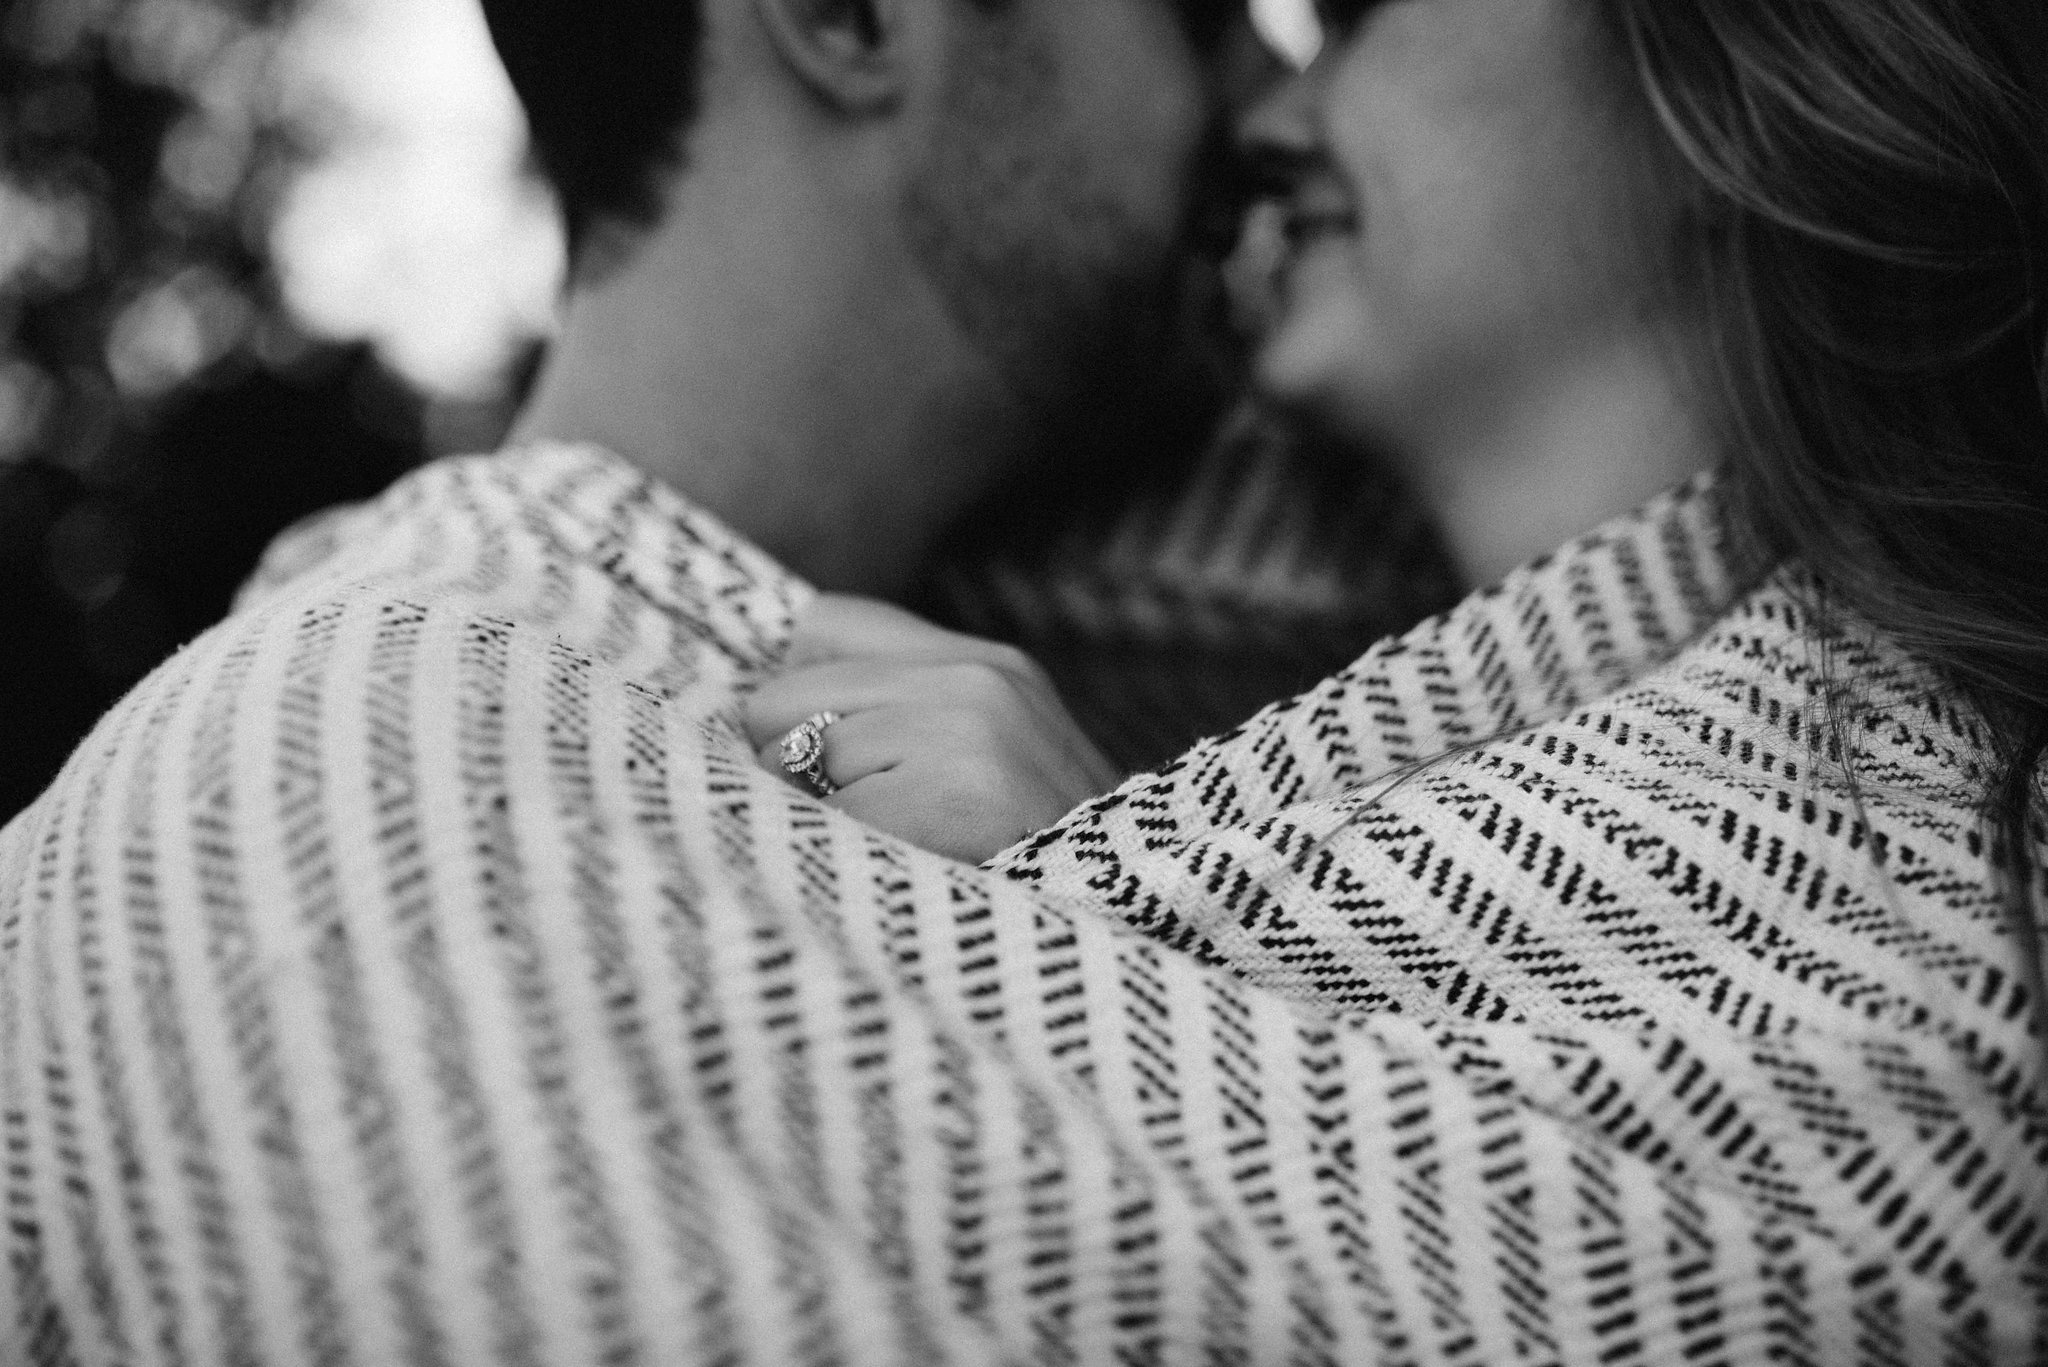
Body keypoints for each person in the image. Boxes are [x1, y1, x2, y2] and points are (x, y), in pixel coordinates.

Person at [3, 2, 2044, 1367]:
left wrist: (1118, 897)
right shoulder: (365, 756)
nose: (1264, 107)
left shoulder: (1259, 688)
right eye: (1183, 7)